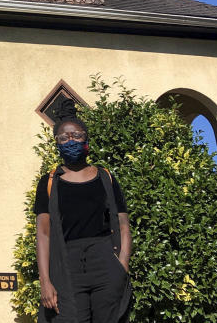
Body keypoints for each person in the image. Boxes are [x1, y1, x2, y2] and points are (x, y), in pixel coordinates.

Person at [35, 117, 132, 323]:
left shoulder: (106, 177)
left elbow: (123, 224)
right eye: (64, 137)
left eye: (77, 135)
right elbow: (43, 233)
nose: (71, 140)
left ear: (86, 139)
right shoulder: (49, 182)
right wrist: (45, 280)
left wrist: (121, 265)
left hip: (105, 264)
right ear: (57, 143)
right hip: (67, 267)